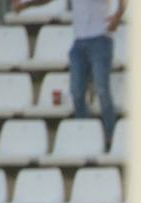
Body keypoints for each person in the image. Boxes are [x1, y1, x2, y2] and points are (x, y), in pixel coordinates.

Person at [12, 0, 126, 143]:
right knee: (76, 92)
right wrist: (25, 5)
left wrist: (118, 15)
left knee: (102, 90)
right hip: (79, 42)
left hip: (101, 38)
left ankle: (110, 138)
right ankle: (86, 136)